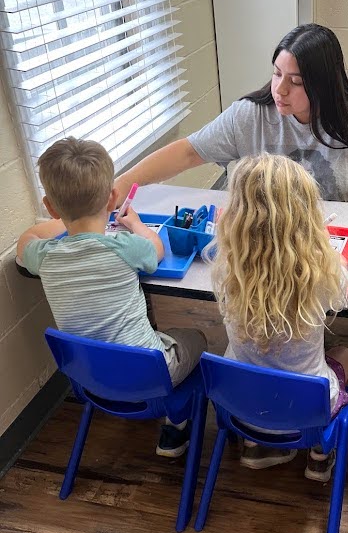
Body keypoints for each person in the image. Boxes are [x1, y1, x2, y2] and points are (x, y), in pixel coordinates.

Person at [114, 23, 348, 349]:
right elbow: (187, 151)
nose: (279, 89)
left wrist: (312, 231)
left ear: (324, 85)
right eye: (276, 73)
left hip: (331, 234)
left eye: (295, 82)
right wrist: (123, 183)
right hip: (268, 238)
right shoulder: (251, 115)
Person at [17, 138, 207, 458]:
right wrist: (134, 224)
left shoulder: (44, 256)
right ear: (113, 197)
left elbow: (26, 241)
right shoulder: (123, 247)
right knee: (197, 338)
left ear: (49, 206)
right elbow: (156, 250)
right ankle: (176, 424)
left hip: (89, 377)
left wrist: (67, 218)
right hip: (150, 373)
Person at [209, 153, 348, 483]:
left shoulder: (227, 270)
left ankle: (255, 445)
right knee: (345, 356)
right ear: (304, 216)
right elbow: (340, 298)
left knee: (251, 365)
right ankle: (320, 454)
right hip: (304, 409)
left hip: (241, 402)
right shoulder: (320, 271)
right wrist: (329, 253)